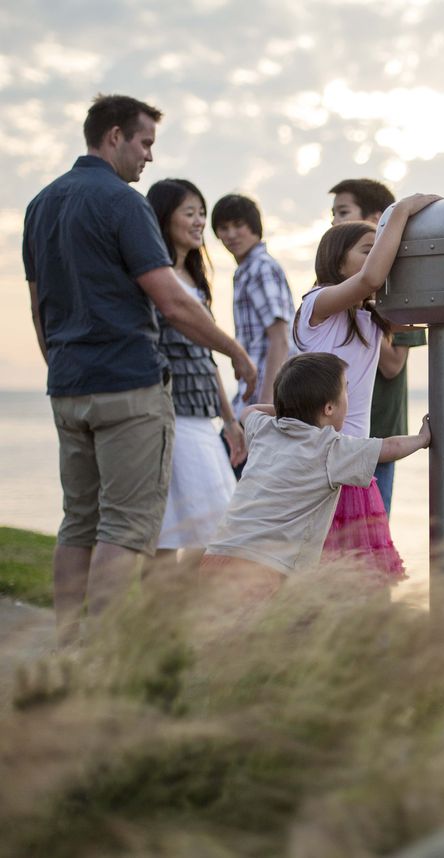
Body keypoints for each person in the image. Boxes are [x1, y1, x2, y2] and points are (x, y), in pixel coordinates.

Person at [22, 94, 256, 646]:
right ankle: (104, 653)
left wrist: (61, 368)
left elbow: (39, 310)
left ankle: (69, 644)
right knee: (125, 528)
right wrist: (234, 351)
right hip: (129, 386)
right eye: (145, 142)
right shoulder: (123, 204)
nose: (148, 157)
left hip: (69, 387)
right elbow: (172, 303)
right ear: (114, 137)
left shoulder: (39, 205)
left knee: (77, 521)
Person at [294, 193, 440, 578]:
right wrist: (403, 210)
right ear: (337, 259)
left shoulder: (370, 318)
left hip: (353, 467)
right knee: (314, 580)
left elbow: (435, 310)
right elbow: (372, 277)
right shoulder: (317, 305)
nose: (378, 257)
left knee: (359, 582)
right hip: (316, 467)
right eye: (366, 249)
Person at [203, 352, 430, 588]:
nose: (348, 397)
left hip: (218, 554)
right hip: (265, 568)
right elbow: (389, 447)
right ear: (329, 407)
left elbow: (247, 412)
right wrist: (422, 439)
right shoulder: (330, 448)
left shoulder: (264, 428)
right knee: (265, 625)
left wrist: (291, 408)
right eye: (346, 390)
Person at [146, 178, 245, 563]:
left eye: (201, 212)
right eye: (190, 212)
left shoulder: (196, 281)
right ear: (164, 218)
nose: (199, 221)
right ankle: (166, 618)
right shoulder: (157, 279)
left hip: (201, 415)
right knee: (177, 532)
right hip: (171, 414)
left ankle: (178, 618)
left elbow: (205, 357)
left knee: (208, 528)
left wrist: (229, 419)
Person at [330, 178, 427, 516]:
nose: (335, 222)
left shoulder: (399, 287)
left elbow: (392, 365)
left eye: (343, 212)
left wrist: (360, 314)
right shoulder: (336, 292)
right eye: (333, 214)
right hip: (334, 435)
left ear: (378, 219)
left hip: (380, 431)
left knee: (370, 538)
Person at [211, 193, 296, 477]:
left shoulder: (260, 268)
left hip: (261, 404)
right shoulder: (246, 270)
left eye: (238, 225)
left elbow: (280, 338)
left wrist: (265, 408)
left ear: (254, 226)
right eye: (223, 228)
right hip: (251, 401)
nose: (231, 234)